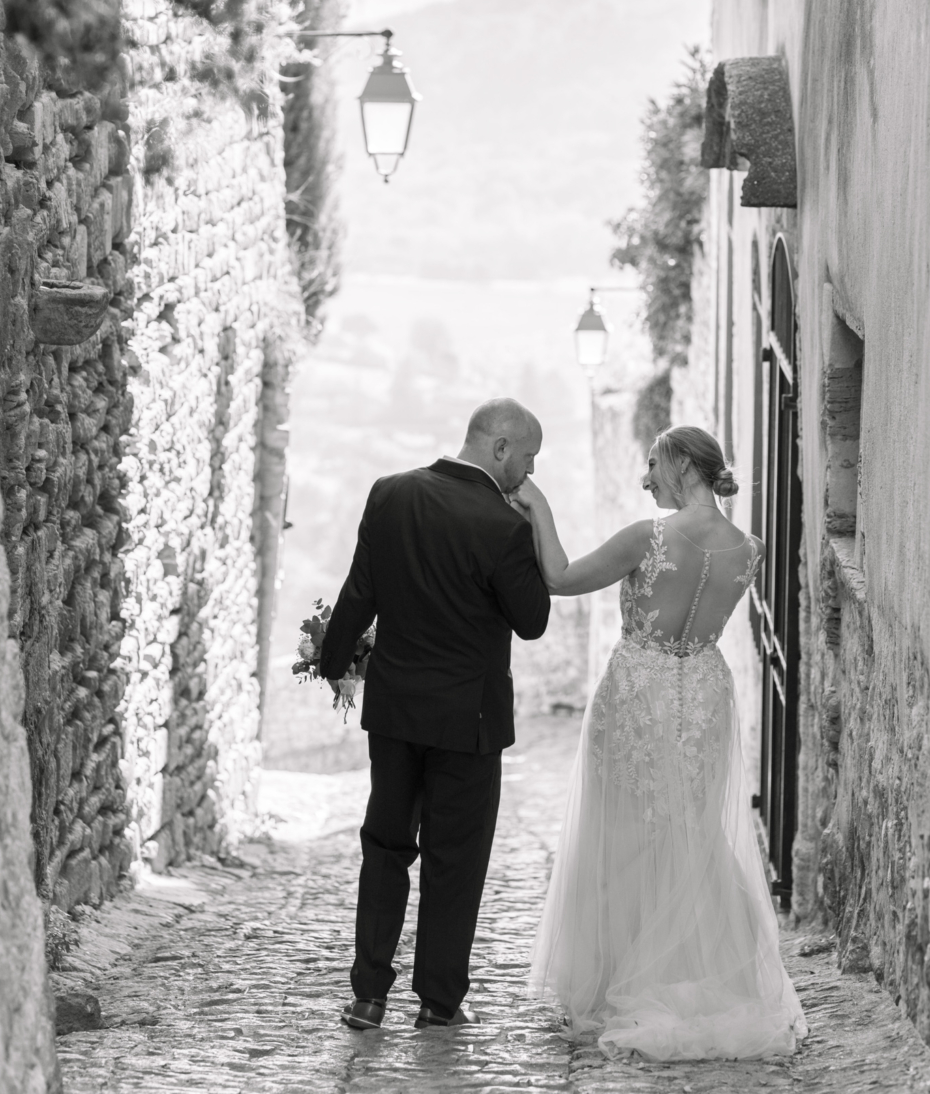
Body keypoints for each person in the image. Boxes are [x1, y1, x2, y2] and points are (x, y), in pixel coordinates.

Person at [511, 424, 808, 1061]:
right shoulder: (749, 549)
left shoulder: (646, 538)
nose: (645, 480)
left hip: (637, 690)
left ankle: (620, 981)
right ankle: (698, 973)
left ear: (680, 462)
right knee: (691, 831)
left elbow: (560, 578)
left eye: (652, 464)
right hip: (704, 690)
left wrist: (537, 505)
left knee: (621, 828)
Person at [320, 398, 552, 1033]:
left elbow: (358, 590)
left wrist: (332, 659)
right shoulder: (503, 525)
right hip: (468, 725)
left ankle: (368, 995)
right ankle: (438, 1000)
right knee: (455, 859)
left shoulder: (389, 493)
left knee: (385, 848)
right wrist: (535, 525)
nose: (529, 474)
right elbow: (532, 621)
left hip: (395, 713)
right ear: (499, 447)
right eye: (528, 458)